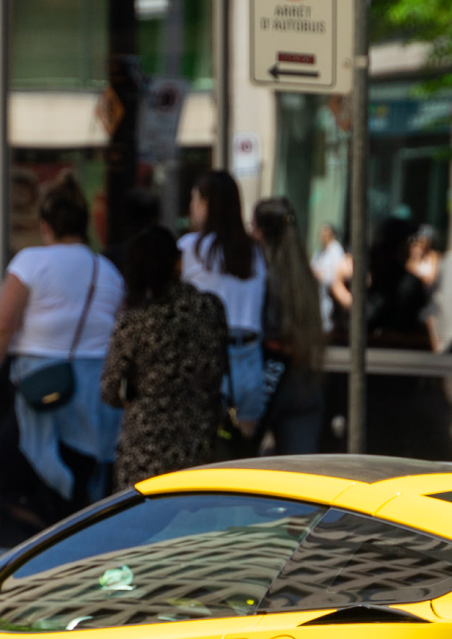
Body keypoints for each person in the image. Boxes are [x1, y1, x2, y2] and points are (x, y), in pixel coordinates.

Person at [0, 179, 122, 534]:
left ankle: (40, 550)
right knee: (79, 483)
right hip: (94, 394)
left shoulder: (31, 262)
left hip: (40, 387)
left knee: (13, 480)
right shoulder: (108, 271)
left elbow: (3, 324)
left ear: (46, 225)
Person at [103, 225, 230, 489]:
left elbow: (109, 390)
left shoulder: (135, 321)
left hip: (145, 450)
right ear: (178, 264)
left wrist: (134, 394)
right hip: (200, 442)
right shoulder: (210, 308)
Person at [180, 170, 267, 436]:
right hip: (250, 357)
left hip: (207, 357)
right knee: (242, 454)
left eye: (194, 200)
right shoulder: (255, 252)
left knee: (204, 452)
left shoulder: (190, 247)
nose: (191, 207)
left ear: (206, 204)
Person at [362, 214, 451, 457]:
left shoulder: (380, 278)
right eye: (409, 240)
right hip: (399, 379)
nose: (413, 246)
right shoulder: (406, 282)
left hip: (384, 378)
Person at [252, 197, 325, 456]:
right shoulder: (306, 276)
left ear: (259, 230)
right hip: (304, 380)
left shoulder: (258, 275)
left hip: (264, 380)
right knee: (300, 477)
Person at [311, 223, 350, 334]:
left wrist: (321, 275)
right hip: (319, 291)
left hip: (330, 293)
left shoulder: (335, 250)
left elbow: (337, 274)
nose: (322, 235)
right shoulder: (320, 251)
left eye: (325, 232)